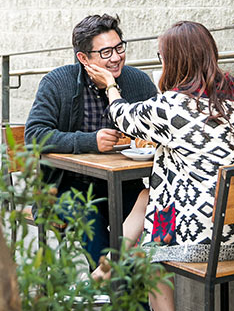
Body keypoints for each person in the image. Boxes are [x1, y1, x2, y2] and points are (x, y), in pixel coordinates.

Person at [83, 20, 234, 311]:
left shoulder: (172, 106)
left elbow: (123, 117)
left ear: (176, 62)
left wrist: (110, 85)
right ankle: (103, 273)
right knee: (151, 195)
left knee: (149, 250)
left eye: (162, 57)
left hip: (210, 242)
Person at [25, 13, 157, 266]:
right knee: (91, 221)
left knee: (148, 216)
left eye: (119, 48)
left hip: (121, 186)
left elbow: (156, 130)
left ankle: (133, 301)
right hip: (64, 187)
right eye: (106, 52)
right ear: (83, 58)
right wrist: (89, 141)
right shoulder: (58, 82)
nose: (116, 57)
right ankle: (110, 289)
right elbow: (34, 135)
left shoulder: (137, 81)